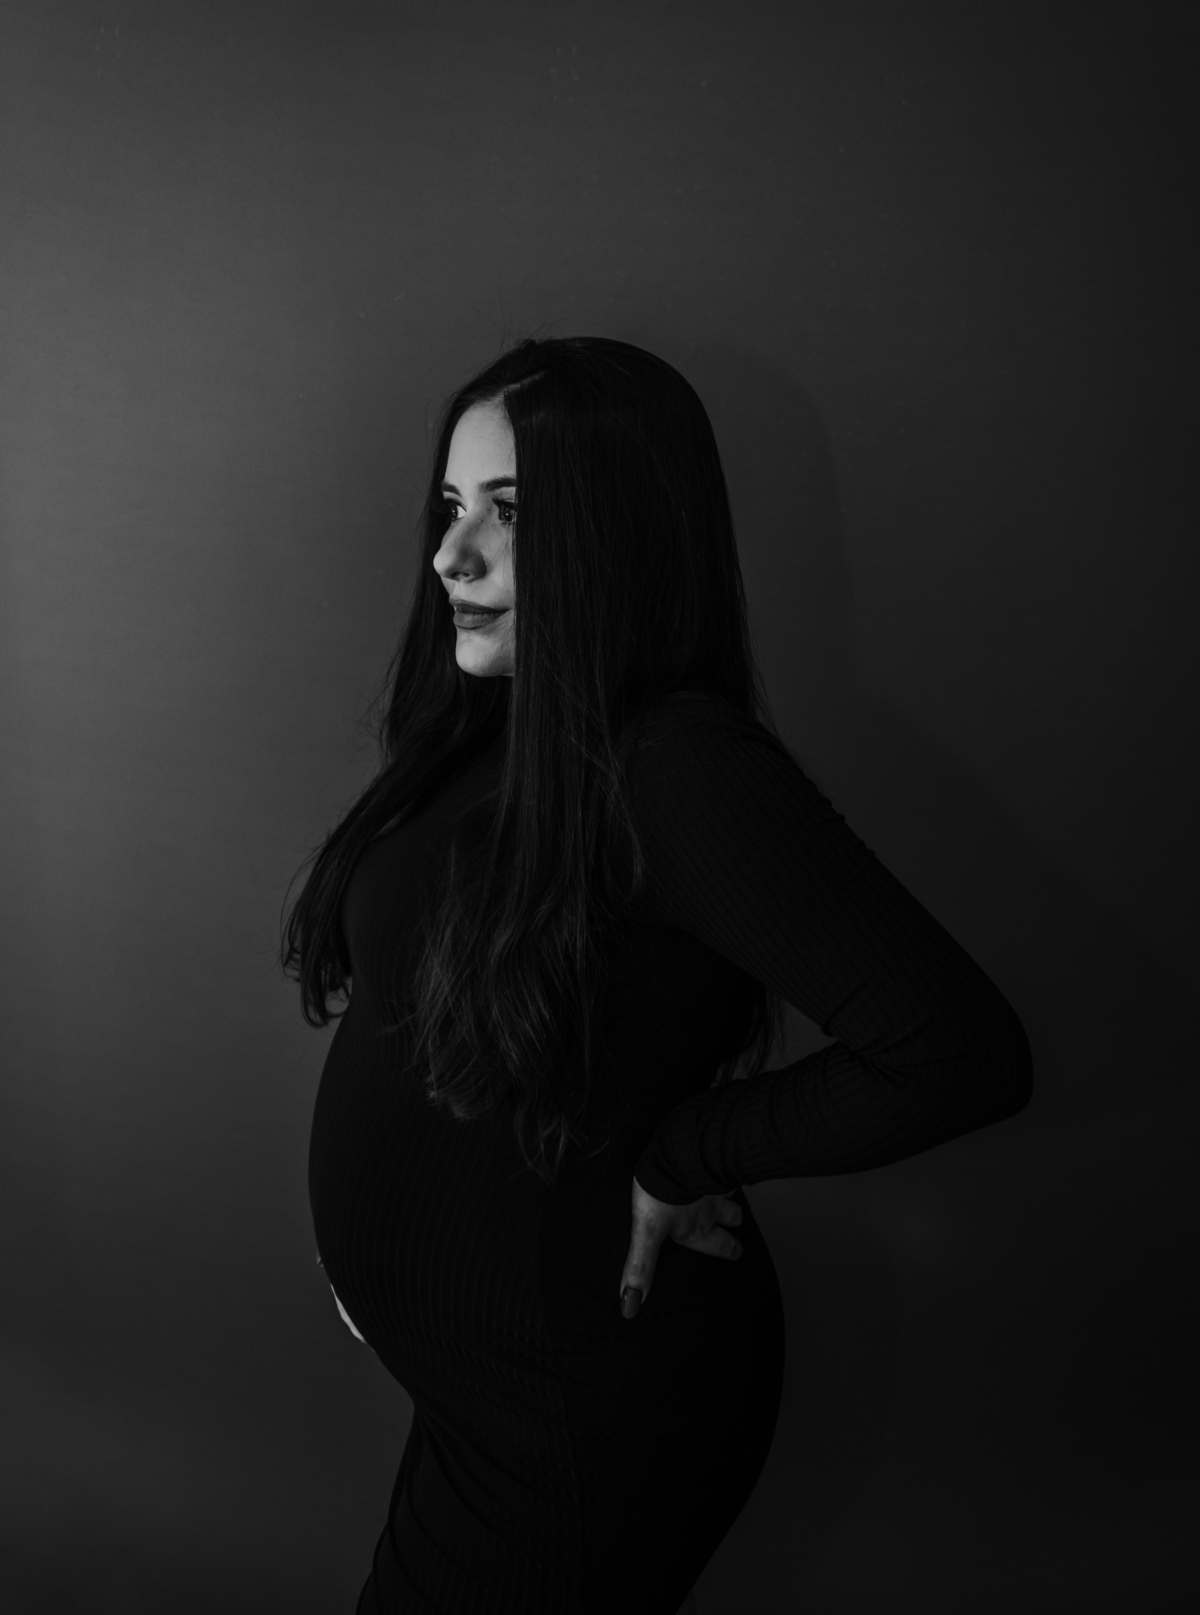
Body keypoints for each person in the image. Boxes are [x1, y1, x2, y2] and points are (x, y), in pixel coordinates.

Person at [281, 336, 1033, 1614]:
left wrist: (689, 1153)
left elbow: (959, 1051)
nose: (451, 555)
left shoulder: (680, 767)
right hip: (483, 1391)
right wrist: (385, 1271)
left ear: (620, 538)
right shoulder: (498, 726)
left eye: (512, 514)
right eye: (450, 506)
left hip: (577, 1424)